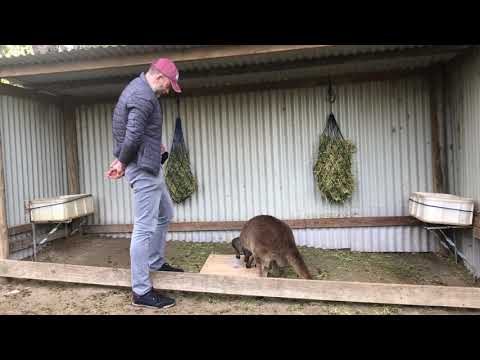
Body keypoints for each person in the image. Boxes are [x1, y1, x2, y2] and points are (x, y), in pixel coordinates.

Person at [106, 58, 184, 309]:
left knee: (165, 213)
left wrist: (154, 146)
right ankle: (141, 290)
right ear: (160, 77)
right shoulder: (142, 96)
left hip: (149, 164)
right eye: (169, 85)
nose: (168, 90)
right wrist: (121, 161)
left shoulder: (139, 90)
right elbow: (132, 135)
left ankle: (155, 261)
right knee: (143, 228)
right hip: (143, 169)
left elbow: (140, 133)